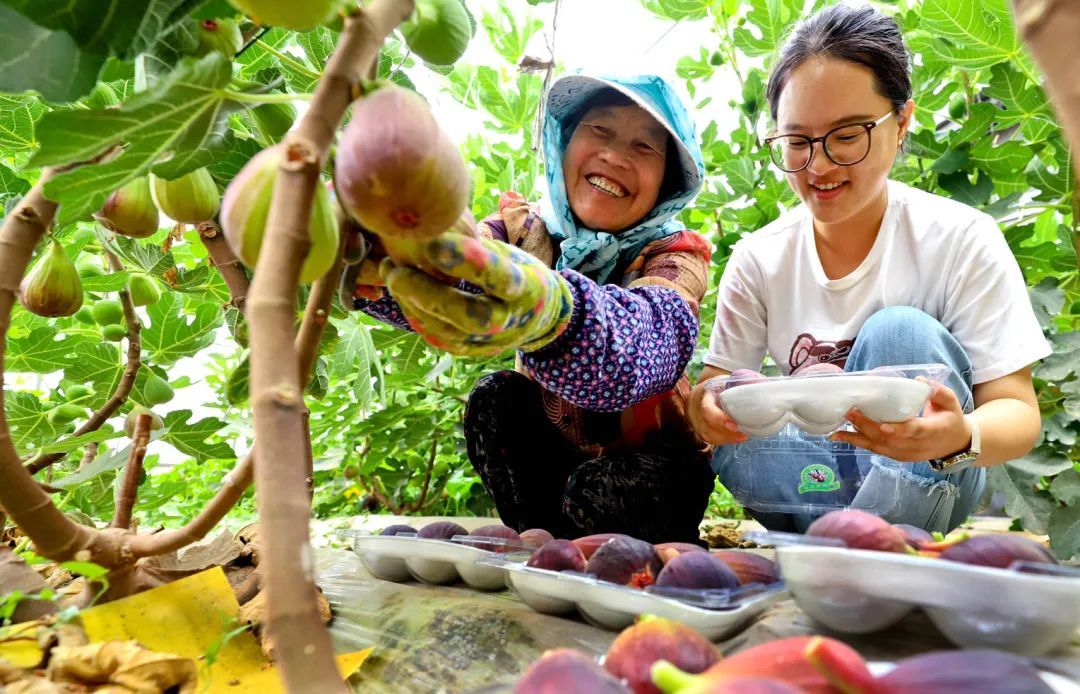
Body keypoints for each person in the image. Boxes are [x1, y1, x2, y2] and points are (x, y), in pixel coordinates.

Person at [687, 5, 1051, 533]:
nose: (819, 165)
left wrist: (955, 435)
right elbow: (717, 395)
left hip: (930, 471)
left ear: (902, 122)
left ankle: (877, 541)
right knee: (738, 409)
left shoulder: (960, 238)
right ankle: (841, 532)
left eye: (847, 135)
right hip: (811, 474)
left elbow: (1017, 414)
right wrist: (709, 408)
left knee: (899, 332)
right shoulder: (760, 257)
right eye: (797, 141)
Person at [345, 73, 715, 544]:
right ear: (564, 142)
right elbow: (461, 274)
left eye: (645, 147)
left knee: (601, 489)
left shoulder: (675, 255)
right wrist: (387, 257)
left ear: (668, 184)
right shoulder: (519, 230)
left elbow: (650, 339)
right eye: (599, 131)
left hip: (653, 471)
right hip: (559, 460)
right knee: (495, 398)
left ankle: (616, 549)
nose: (615, 155)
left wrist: (557, 311)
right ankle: (544, 541)